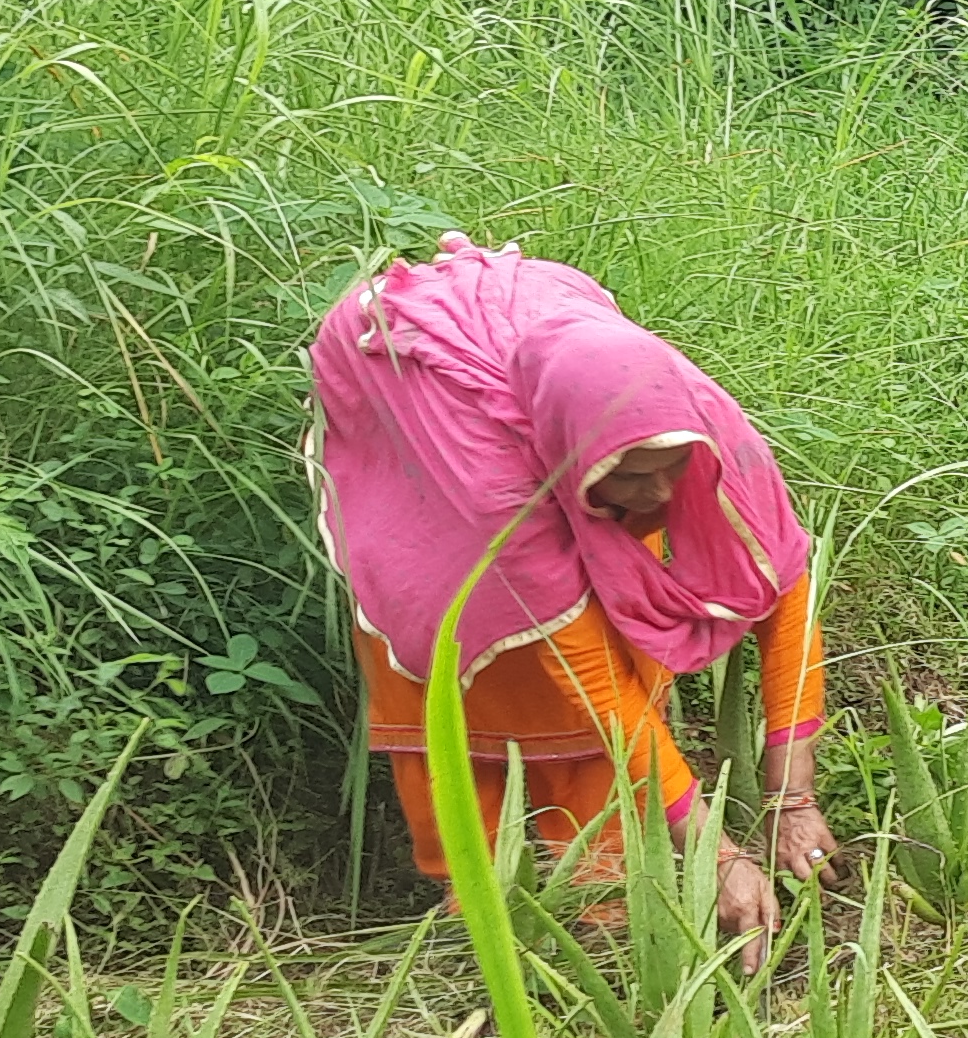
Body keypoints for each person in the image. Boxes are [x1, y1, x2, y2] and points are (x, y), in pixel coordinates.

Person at [310, 232, 834, 949]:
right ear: (568, 451)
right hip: (440, 486)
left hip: (562, 440)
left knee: (607, 837)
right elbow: (596, 687)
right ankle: (495, 942)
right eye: (631, 474)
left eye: (670, 467)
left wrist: (791, 795)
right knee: (503, 681)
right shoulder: (503, 501)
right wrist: (718, 854)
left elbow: (786, 592)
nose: (656, 492)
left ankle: (605, 924)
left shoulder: (703, 430)